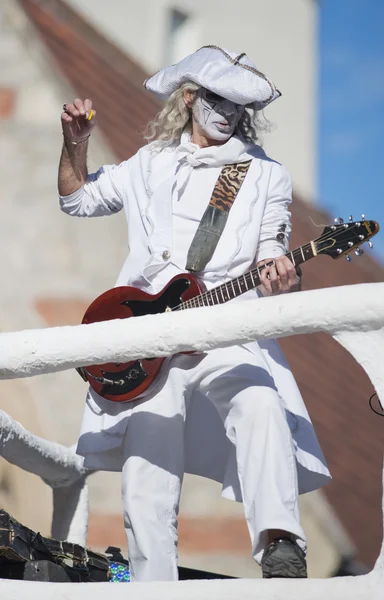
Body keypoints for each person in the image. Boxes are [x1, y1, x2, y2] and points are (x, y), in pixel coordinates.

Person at [58, 46, 330, 581]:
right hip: (149, 335)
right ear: (190, 98)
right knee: (144, 475)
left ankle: (280, 543)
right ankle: (151, 584)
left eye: (237, 106)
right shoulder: (150, 162)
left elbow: (274, 253)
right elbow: (76, 199)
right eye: (217, 100)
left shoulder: (263, 175)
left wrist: (283, 273)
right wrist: (74, 144)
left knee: (259, 403)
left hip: (225, 322)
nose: (227, 113)